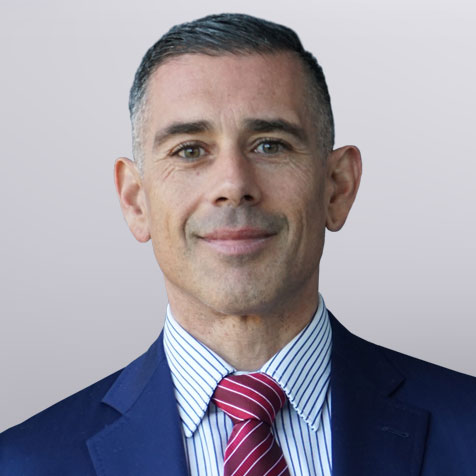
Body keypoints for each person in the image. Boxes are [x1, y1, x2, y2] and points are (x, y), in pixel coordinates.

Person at [1, 13, 475, 476]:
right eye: (190, 150)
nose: (233, 184)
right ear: (135, 200)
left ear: (337, 188)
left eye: (270, 145)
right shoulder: (23, 464)